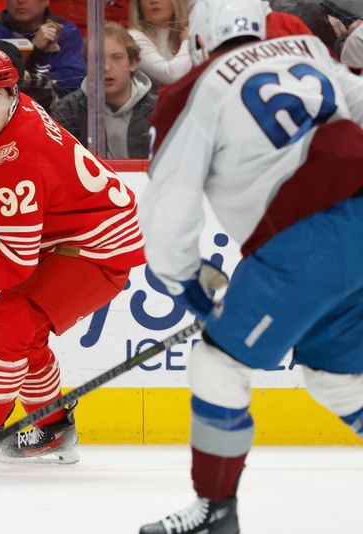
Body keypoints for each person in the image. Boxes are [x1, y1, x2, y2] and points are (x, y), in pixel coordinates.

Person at [137, 0, 363, 532]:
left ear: (200, 37)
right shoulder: (308, 49)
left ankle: (215, 512)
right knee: (337, 378)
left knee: (219, 365)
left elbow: (171, 207)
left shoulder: (193, 92)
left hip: (307, 242)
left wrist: (185, 281)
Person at [0, 48, 146, 474]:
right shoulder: (15, 113)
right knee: (24, 331)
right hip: (70, 235)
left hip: (99, 247)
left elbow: (17, 258)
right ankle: (52, 427)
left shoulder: (19, 156)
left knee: (9, 323)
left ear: (13, 95)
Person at [51, 22, 157, 157]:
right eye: (97, 59)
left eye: (116, 57)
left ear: (133, 63)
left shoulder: (158, 109)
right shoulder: (67, 110)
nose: (106, 67)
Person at [0, 0, 86, 95]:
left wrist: (32, 80)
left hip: (54, 111)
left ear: (46, 1)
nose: (20, 1)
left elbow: (74, 80)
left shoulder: (66, 32)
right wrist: (34, 48)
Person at [128, 0, 191, 86]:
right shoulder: (134, 37)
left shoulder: (186, 31)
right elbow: (169, 75)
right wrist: (187, 42)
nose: (153, 1)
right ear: (139, 5)